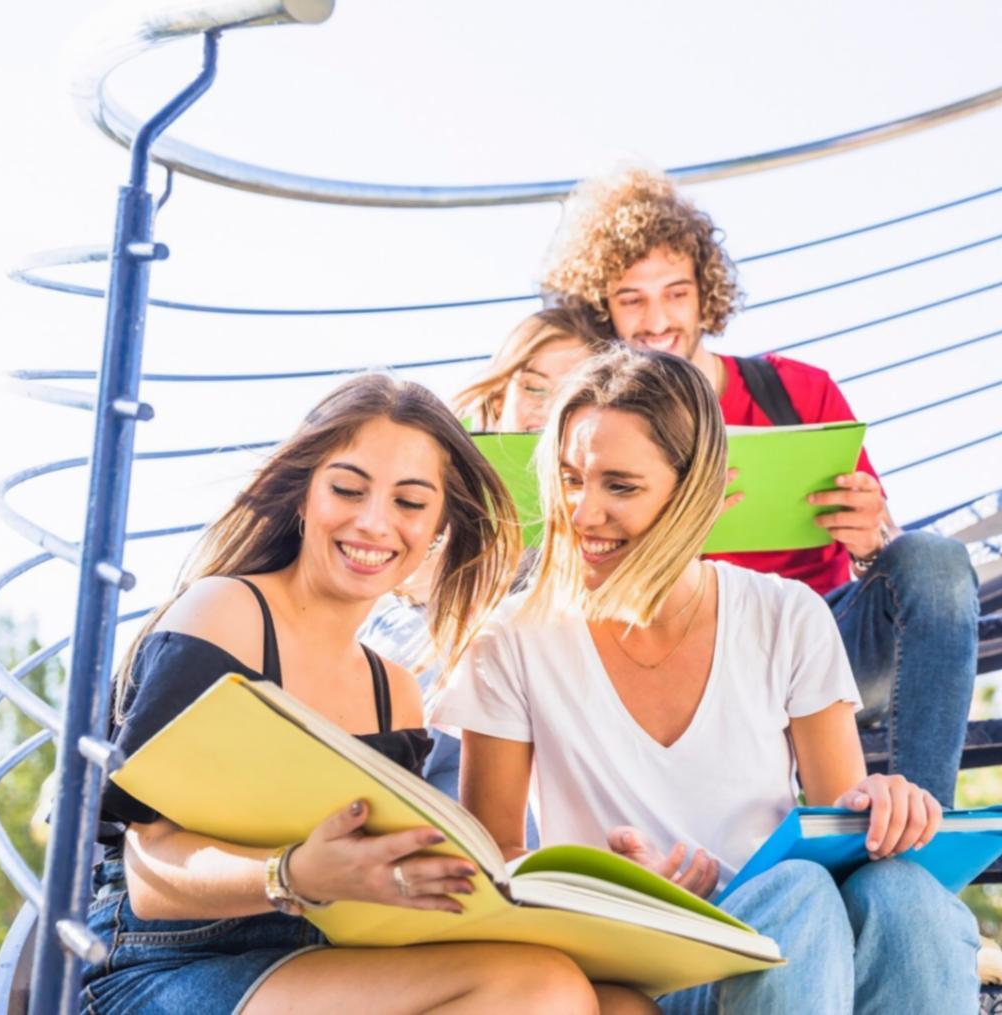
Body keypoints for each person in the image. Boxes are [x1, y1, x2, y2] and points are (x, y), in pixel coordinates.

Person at [84, 373, 651, 1014]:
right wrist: (293, 874)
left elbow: (382, 890)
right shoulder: (227, 614)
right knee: (540, 989)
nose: (375, 523)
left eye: (410, 503)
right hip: (163, 960)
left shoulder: (396, 692)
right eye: (348, 489)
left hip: (322, 956)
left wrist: (584, 895)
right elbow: (149, 876)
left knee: (623, 1005)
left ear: (439, 526)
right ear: (302, 495)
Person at [436, 347, 981, 1014]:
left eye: (620, 486)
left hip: (794, 950)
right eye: (570, 478)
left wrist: (885, 803)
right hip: (645, 959)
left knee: (906, 895)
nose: (581, 513)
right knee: (798, 897)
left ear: (695, 490)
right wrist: (604, 886)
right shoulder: (512, 638)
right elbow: (494, 862)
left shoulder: (786, 614)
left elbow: (837, 819)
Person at [539, 167, 978, 810]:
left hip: (824, 644)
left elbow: (891, 563)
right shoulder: (592, 431)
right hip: (688, 660)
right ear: (603, 308)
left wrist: (870, 541)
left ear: (705, 294)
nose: (656, 321)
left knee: (935, 560)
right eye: (632, 299)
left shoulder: (798, 391)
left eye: (675, 294)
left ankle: (923, 819)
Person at [360, 305, 609, 801]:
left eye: (569, 397)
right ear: (500, 397)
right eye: (533, 388)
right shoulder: (439, 466)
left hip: (528, 690)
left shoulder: (604, 506)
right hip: (427, 647)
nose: (546, 410)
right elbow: (396, 582)